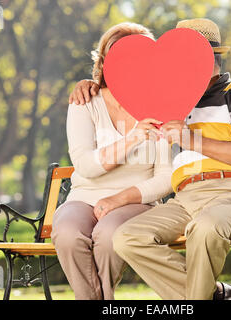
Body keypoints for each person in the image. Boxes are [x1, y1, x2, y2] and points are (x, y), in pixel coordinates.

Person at [70, 18, 231, 300]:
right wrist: (88, 84)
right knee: (127, 238)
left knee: (205, 228)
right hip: (186, 196)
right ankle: (211, 295)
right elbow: (125, 81)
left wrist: (192, 139)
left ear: (207, 58)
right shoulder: (172, 97)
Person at [52, 22, 172, 300]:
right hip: (84, 197)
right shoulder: (85, 101)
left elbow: (166, 178)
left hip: (136, 202)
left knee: (108, 235)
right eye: (121, 57)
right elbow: (85, 166)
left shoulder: (163, 104)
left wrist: (119, 199)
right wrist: (134, 138)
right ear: (105, 62)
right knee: (68, 233)